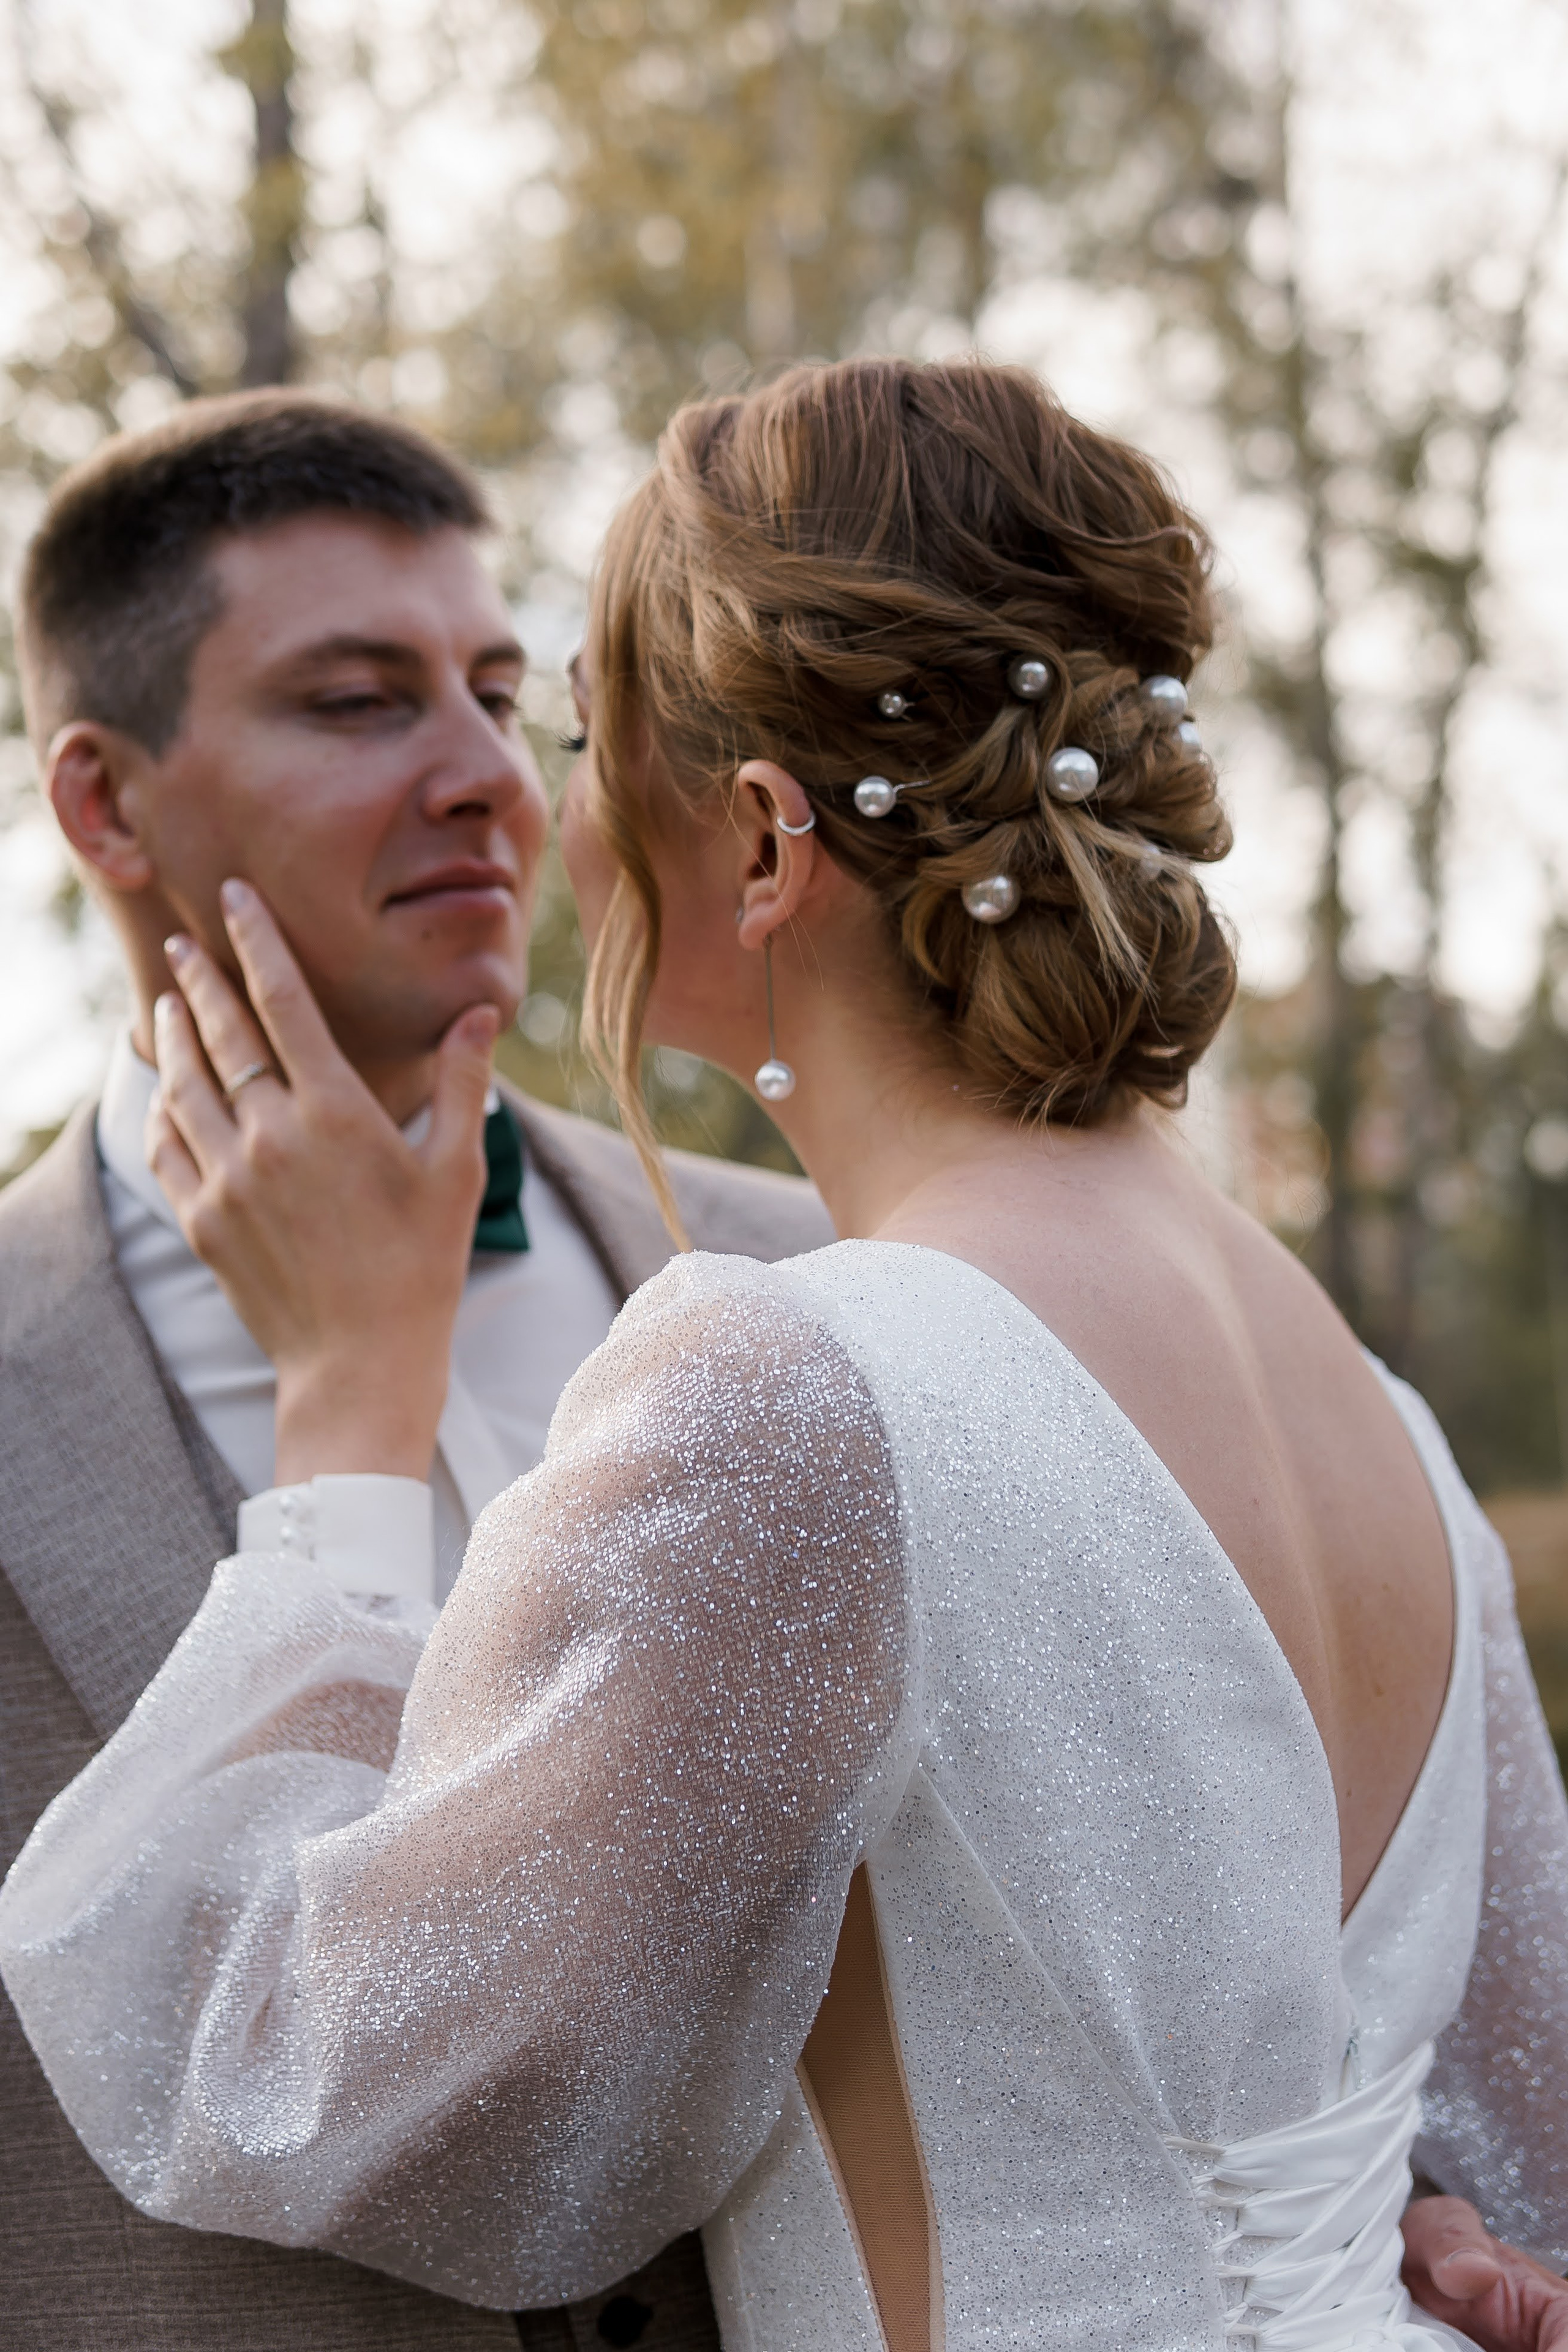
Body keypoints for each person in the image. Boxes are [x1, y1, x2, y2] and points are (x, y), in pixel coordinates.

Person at [4, 356, 1567, 2351]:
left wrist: (344, 1429)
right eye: (361, 700)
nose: (519, 796)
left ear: (760, 843)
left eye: (559, 724)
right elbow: (1452, 2085)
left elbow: (308, 2065)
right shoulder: (1377, 1412)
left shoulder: (789, 1373)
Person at [0, 389, 829, 2352]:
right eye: (361, 703)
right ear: (105, 805)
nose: (486, 779)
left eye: (500, 697)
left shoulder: (819, 1273)